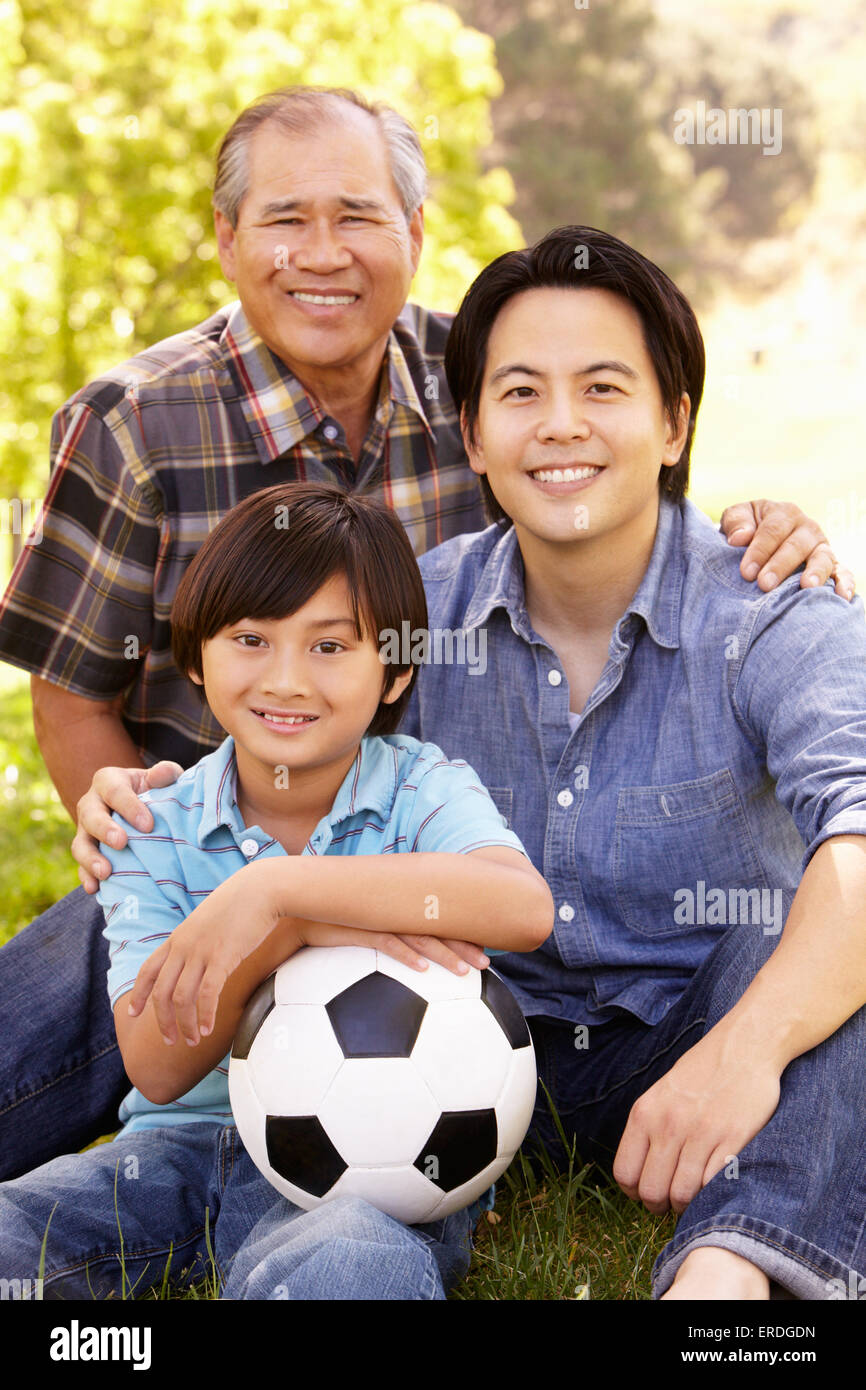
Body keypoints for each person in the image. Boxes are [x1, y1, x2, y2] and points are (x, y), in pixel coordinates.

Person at [0, 83, 851, 1182]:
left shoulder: (484, 375)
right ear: (225, 239)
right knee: (114, 932)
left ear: (412, 231)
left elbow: (609, 497)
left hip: (393, 847)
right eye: (283, 219)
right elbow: (74, 693)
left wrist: (763, 531)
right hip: (207, 825)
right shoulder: (134, 425)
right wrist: (131, 831)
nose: (324, 254)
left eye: (357, 215)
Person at [0, 482, 553, 1300]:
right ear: (195, 658)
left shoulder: (423, 791)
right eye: (251, 639)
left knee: (356, 1268)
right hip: (176, 1149)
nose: (288, 680)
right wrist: (294, 931)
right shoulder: (153, 829)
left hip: (375, 1165)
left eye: (331, 647)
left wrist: (284, 890)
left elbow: (522, 907)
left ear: (394, 672)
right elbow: (155, 1067)